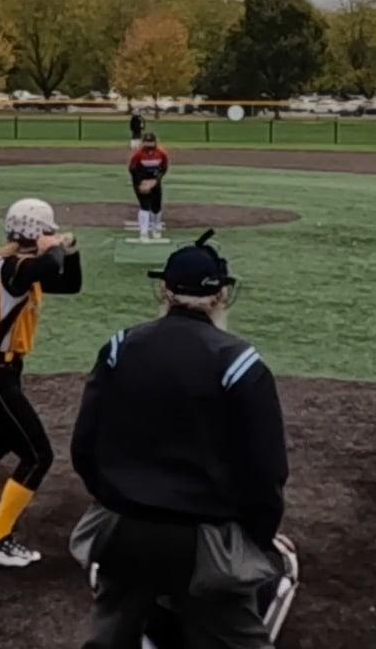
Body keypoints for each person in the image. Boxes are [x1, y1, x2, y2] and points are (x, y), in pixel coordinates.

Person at [70, 235, 292, 649]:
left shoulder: (120, 347)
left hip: (121, 528)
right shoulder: (240, 362)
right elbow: (266, 471)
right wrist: (255, 539)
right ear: (220, 295)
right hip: (204, 541)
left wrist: (116, 499)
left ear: (164, 290)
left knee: (110, 633)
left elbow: (84, 446)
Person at [0, 198, 83, 568]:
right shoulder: (14, 268)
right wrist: (55, 247)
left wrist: (70, 251)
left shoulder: (22, 267)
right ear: (36, 232)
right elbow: (49, 264)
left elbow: (69, 283)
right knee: (37, 456)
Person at [129, 132, 170, 242]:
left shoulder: (161, 153)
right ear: (143, 142)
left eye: (151, 142)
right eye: (147, 142)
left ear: (155, 142)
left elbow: (164, 168)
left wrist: (155, 181)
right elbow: (132, 169)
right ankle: (143, 232)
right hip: (141, 180)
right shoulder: (138, 154)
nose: (149, 145)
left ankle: (156, 227)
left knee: (156, 206)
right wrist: (140, 183)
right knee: (145, 205)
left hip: (154, 180)